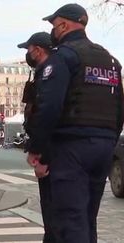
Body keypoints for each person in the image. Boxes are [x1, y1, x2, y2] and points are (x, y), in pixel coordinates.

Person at [27, 4, 123, 242]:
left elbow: (49, 107)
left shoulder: (63, 57)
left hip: (71, 147)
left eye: (54, 25)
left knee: (69, 219)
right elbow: (120, 108)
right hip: (103, 146)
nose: (53, 30)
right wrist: (110, 140)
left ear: (64, 24)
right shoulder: (110, 60)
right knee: (87, 218)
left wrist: (37, 148)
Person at [17, 31, 56, 243]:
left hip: (51, 154)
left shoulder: (49, 75)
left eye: (28, 50)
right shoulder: (47, 73)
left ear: (38, 50)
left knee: (53, 214)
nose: (27, 55)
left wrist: (41, 155)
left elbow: (47, 115)